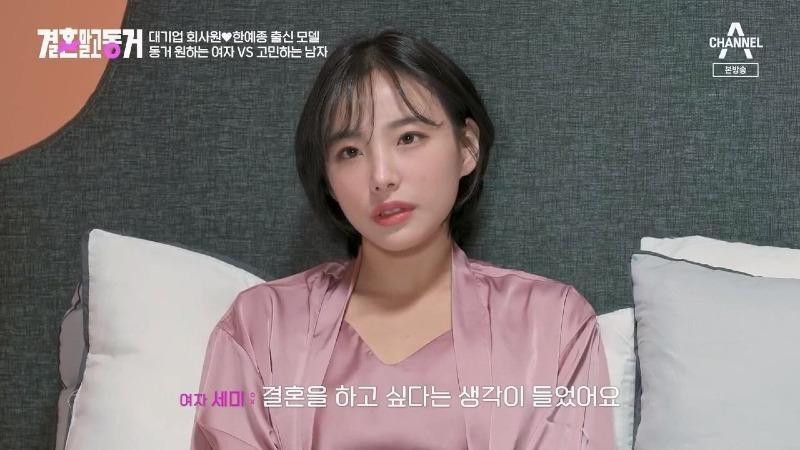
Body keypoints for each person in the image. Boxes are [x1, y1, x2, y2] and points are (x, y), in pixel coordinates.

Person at [191, 27, 616, 450]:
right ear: (328, 180)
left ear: (467, 147)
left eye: (408, 138)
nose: (381, 177)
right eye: (350, 152)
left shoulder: (553, 324)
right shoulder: (260, 326)